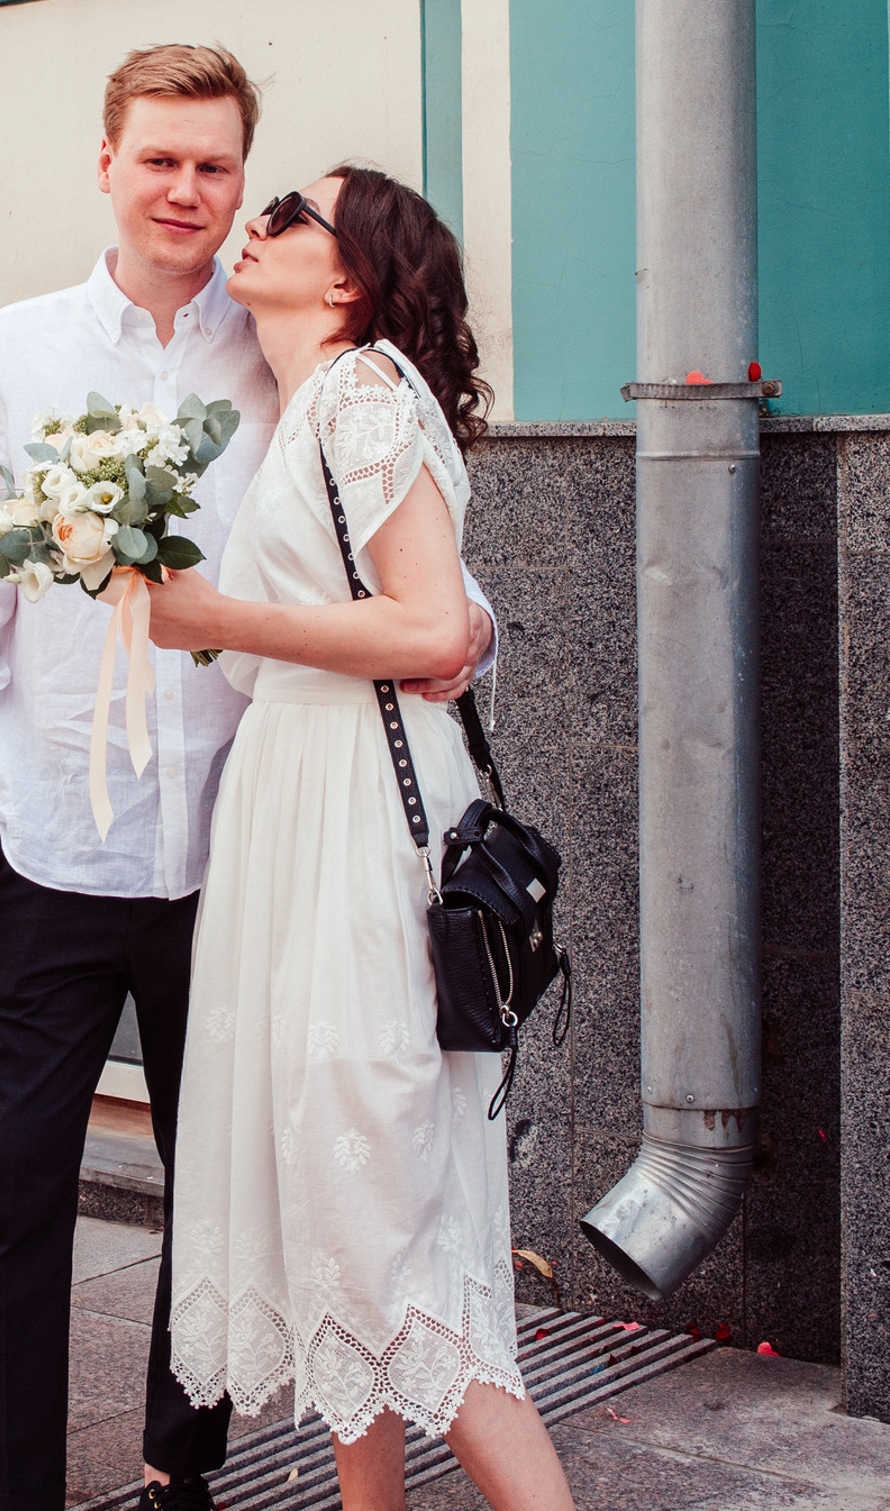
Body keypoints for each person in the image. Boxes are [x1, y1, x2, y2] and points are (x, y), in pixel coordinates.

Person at [0, 50, 498, 1511]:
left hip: (240, 861)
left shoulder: (290, 350)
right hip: (47, 846)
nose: (189, 191)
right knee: (21, 1195)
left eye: (217, 166)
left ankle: (187, 1465)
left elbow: (404, 550)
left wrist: (474, 628)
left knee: (223, 1184)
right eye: (161, 160)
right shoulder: (15, 354)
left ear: (243, 178)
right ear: (107, 165)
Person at [143, 166, 575, 1511]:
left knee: (383, 1233)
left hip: (353, 824)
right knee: (342, 1234)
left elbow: (429, 623)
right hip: (303, 808)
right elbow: (445, 610)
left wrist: (208, 615)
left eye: (285, 206)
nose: (250, 220)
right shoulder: (308, 404)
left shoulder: (360, 392)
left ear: (349, 277)